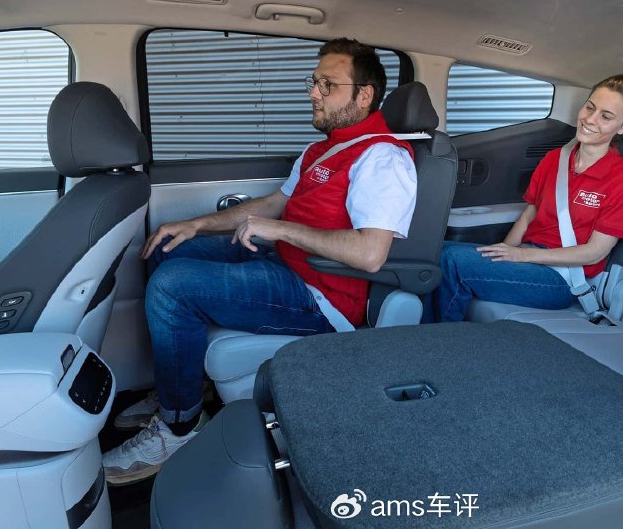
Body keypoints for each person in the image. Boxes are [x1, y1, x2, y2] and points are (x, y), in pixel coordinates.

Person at [102, 38, 418, 484]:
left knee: (173, 286)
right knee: (171, 246)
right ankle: (182, 385)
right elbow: (273, 204)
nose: (314, 93)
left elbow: (370, 254)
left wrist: (283, 231)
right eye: (314, 82)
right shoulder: (321, 150)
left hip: (321, 295)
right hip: (286, 265)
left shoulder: (383, 158)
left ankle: (179, 426)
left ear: (364, 95)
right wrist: (196, 224)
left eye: (328, 85)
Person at [431, 74, 623, 322]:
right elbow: (529, 214)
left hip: (563, 278)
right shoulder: (555, 159)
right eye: (590, 107)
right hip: (529, 258)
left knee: (452, 261)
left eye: (606, 116)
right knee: (435, 250)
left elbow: (594, 252)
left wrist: (524, 256)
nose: (590, 119)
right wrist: (506, 251)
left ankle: (434, 338)